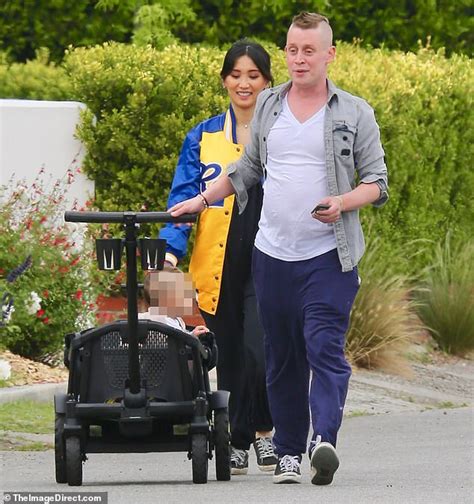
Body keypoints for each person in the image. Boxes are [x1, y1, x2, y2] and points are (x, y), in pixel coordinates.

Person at [168, 12, 389, 486]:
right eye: (292, 49)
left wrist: (343, 202)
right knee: (283, 358)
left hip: (330, 255)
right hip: (272, 256)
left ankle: (322, 440)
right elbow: (245, 170)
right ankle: (288, 451)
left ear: (330, 54)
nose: (299, 58)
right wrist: (201, 200)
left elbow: (377, 183)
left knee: (324, 349)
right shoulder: (270, 106)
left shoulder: (354, 112)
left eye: (309, 50)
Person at [159, 40, 277, 474]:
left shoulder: (281, 131)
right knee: (228, 354)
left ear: (268, 81)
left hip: (268, 257)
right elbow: (183, 199)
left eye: (253, 76)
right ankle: (237, 438)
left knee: (258, 350)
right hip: (217, 260)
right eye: (236, 75)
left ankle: (264, 431)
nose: (243, 84)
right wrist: (170, 253)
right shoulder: (202, 135)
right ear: (225, 79)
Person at [139, 270, 209, 337]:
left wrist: (192, 335)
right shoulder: (159, 320)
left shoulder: (173, 319)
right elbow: (177, 344)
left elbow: (179, 340)